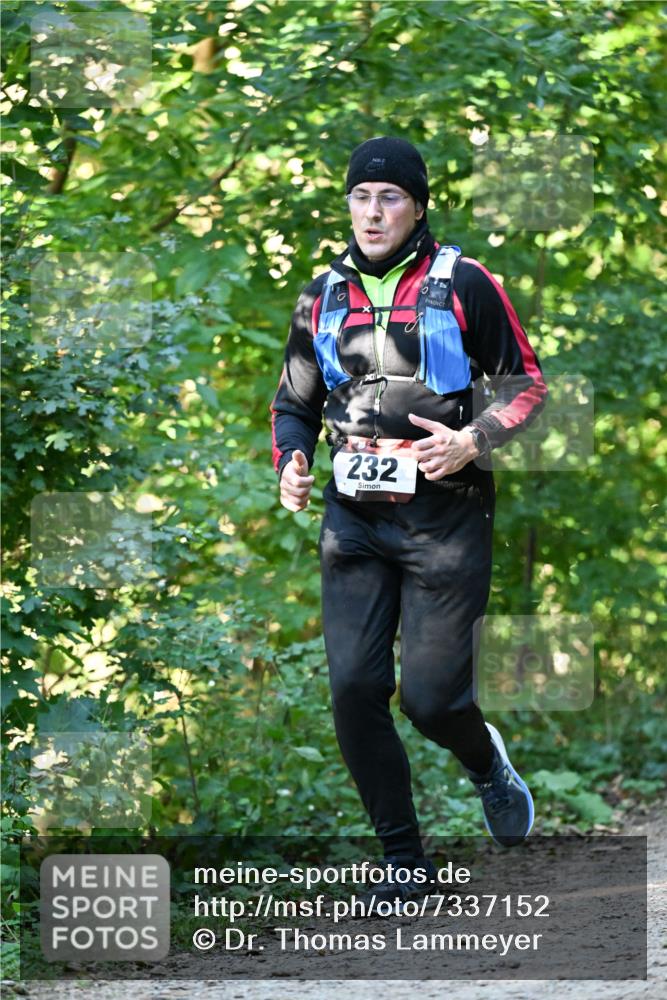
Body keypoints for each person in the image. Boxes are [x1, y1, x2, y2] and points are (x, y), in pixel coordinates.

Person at [270, 136, 547, 904]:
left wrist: (474, 438)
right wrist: (290, 463)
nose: (372, 211)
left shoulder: (465, 282)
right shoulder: (321, 294)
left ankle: (485, 763)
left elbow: (524, 385)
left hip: (445, 519)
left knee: (430, 700)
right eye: (361, 196)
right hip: (353, 521)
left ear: (418, 206)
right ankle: (403, 864)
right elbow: (292, 405)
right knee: (355, 689)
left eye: (389, 197)